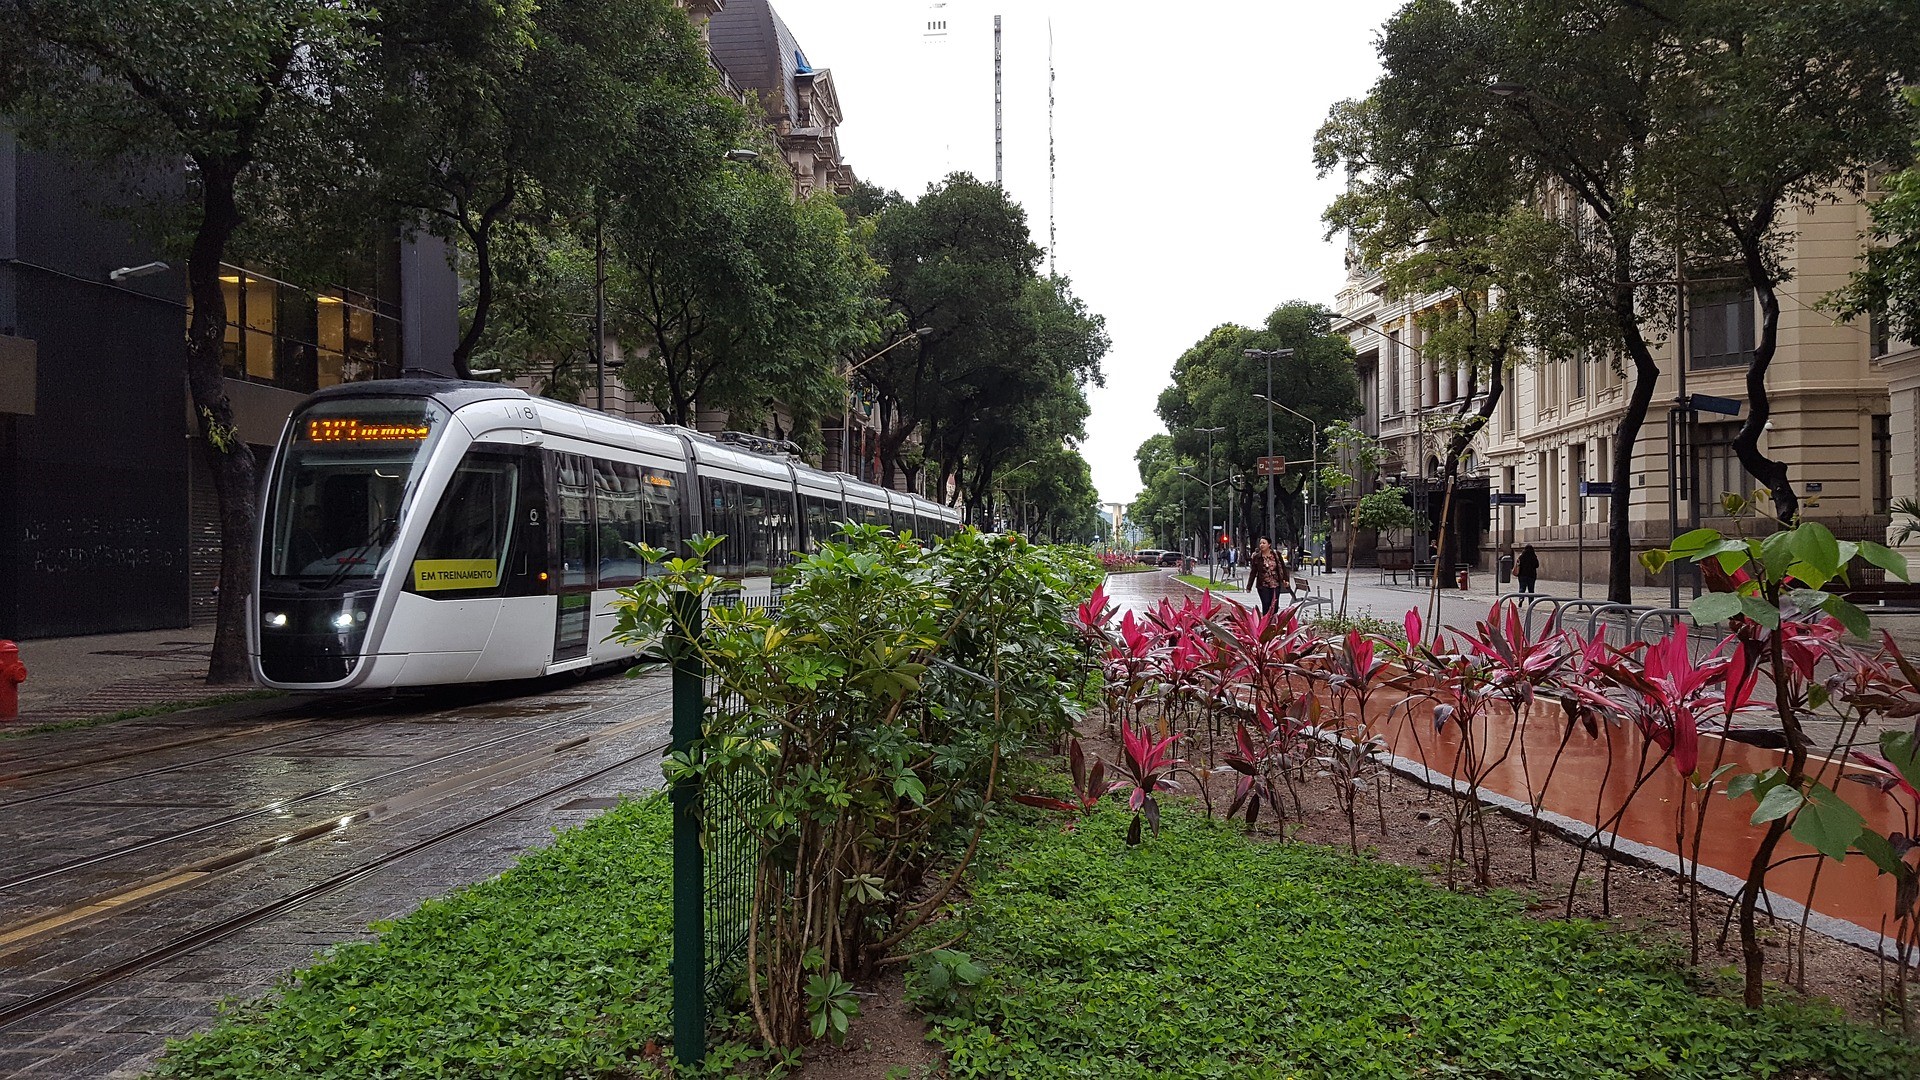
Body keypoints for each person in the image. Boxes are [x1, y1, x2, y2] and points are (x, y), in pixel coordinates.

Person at [1246, 538, 1283, 615]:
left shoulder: (1276, 555)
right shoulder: (1257, 557)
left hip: (1275, 584)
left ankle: (1273, 622)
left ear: (1269, 544)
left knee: (1275, 605)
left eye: (1264, 543)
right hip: (1263, 585)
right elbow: (1253, 572)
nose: (1261, 545)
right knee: (1266, 604)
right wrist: (1249, 586)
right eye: (1260, 543)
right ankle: (1266, 623)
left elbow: (1282, 567)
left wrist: (1286, 580)